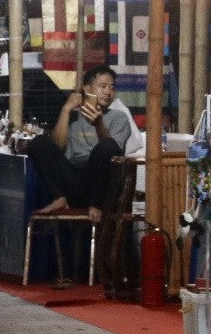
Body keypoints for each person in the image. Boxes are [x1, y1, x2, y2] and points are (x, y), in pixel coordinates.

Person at [27, 64, 140, 222]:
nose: (108, 92)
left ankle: (96, 205)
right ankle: (59, 197)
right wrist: (66, 109)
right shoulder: (73, 115)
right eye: (102, 86)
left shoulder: (118, 117)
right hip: (72, 180)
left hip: (98, 183)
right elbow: (58, 146)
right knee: (38, 143)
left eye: (112, 87)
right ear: (87, 89)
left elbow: (113, 151)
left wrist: (99, 123)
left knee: (105, 146)